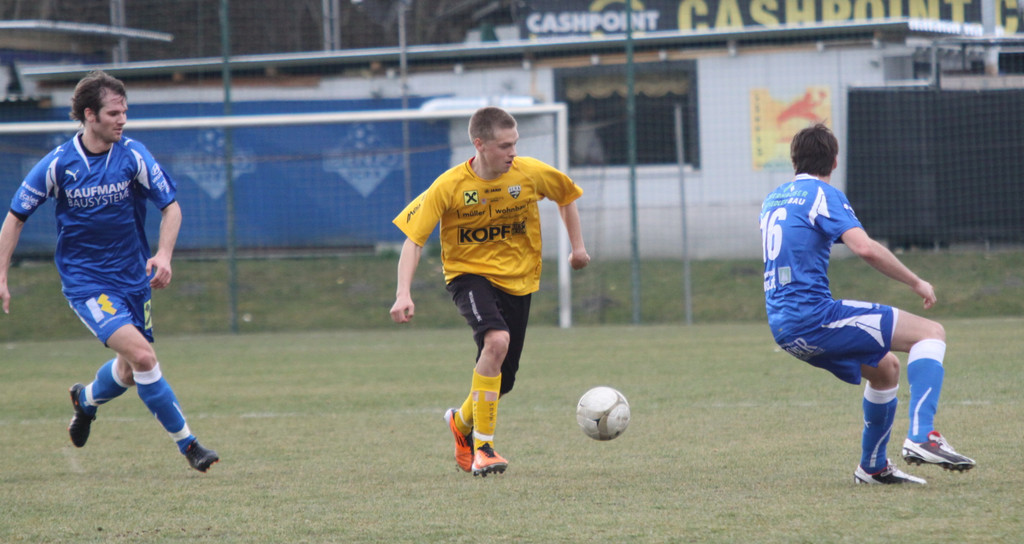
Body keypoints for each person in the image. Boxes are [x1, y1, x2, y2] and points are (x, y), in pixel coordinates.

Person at [0, 70, 218, 472]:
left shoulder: (133, 156)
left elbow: (171, 208)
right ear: (90, 115)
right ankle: (190, 446)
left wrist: (164, 255)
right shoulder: (58, 164)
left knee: (129, 371)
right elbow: (14, 218)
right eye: (114, 113)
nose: (123, 120)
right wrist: (1, 276)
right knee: (144, 357)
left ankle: (85, 400)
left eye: (125, 112)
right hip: (86, 282)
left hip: (134, 278)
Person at [760, 123, 974, 485]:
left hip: (783, 326)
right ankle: (923, 435)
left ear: (794, 161)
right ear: (834, 161)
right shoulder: (822, 194)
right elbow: (864, 247)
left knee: (885, 368)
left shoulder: (774, 199)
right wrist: (916, 282)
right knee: (930, 333)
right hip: (814, 317)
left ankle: (873, 467)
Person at [389, 106, 590, 477]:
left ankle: (460, 422)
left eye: (515, 144)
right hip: (469, 276)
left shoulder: (529, 173)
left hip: (519, 279)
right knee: (496, 341)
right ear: (479, 145)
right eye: (504, 146)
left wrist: (577, 248)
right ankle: (484, 448)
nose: (513, 152)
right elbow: (414, 240)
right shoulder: (449, 185)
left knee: (503, 380)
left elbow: (566, 195)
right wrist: (404, 293)